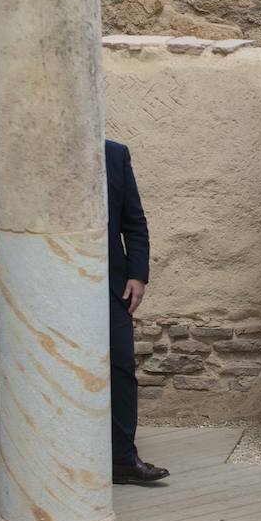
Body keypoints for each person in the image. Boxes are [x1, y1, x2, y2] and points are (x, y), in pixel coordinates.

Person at [105, 138, 169, 484]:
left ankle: (123, 459)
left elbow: (134, 221)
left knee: (121, 368)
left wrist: (137, 274)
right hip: (54, 287)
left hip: (110, 284)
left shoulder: (115, 154)